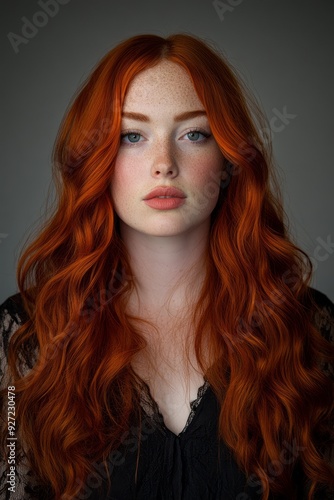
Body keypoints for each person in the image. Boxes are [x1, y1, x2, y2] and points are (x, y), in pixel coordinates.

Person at [0, 33, 333, 500]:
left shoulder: (305, 325)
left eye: (194, 134)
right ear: (96, 158)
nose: (164, 165)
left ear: (228, 157)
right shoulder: (27, 334)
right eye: (132, 136)